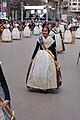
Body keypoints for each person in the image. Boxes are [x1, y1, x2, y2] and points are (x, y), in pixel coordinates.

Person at [26, 26, 62, 92]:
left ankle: (47, 86)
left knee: (48, 71)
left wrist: (55, 60)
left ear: (48, 32)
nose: (44, 32)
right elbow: (36, 49)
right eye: (43, 31)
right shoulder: (39, 39)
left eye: (46, 31)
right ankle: (39, 85)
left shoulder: (52, 40)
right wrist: (32, 58)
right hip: (40, 56)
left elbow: (53, 50)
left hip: (49, 57)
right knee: (40, 70)